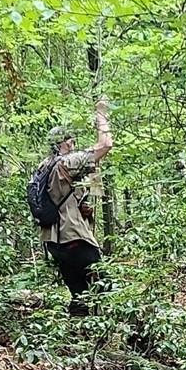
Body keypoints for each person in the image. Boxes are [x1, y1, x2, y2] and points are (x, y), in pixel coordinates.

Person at [40, 96, 113, 315]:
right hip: (74, 239)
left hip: (54, 242)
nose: (72, 143)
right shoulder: (66, 162)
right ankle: (115, 337)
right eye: (68, 140)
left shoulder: (44, 166)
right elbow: (105, 145)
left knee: (79, 295)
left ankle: (76, 341)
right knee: (106, 288)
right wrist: (101, 112)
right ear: (59, 144)